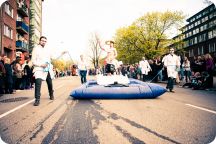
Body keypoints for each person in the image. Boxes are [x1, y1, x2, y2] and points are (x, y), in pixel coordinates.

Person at [31, 36, 55, 106]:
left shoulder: (47, 49)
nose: (43, 42)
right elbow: (33, 61)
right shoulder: (35, 49)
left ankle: (51, 94)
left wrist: (62, 54)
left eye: (45, 41)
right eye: (42, 40)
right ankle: (37, 99)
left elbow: (51, 58)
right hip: (38, 68)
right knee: (38, 83)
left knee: (50, 83)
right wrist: (41, 65)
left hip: (47, 69)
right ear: (39, 41)